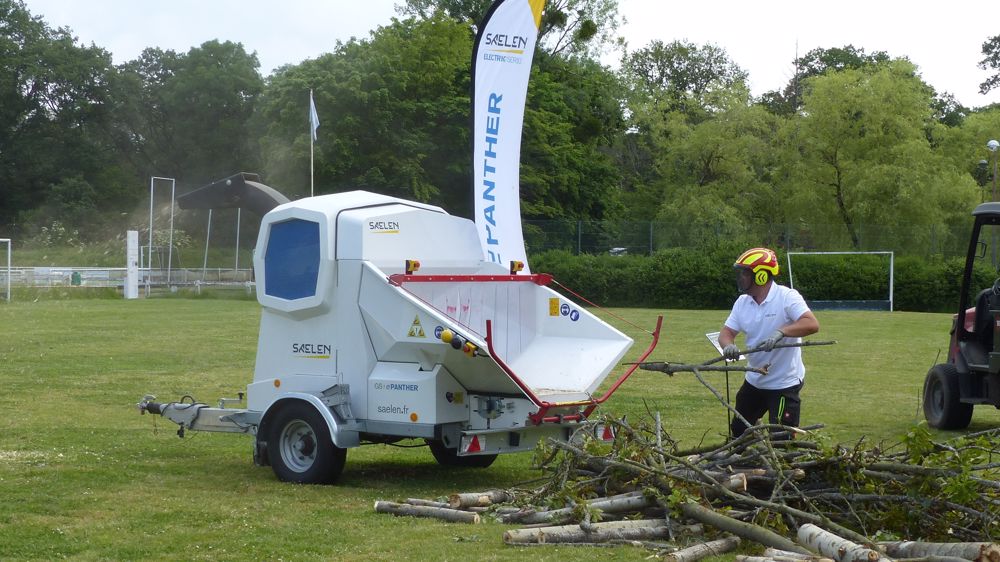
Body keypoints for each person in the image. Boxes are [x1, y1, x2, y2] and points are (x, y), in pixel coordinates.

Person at [718, 247, 820, 438]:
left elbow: (812, 323)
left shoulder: (787, 297)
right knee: (740, 431)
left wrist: (782, 332)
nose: (740, 277)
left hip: (784, 383)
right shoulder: (742, 302)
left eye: (745, 273)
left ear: (762, 276)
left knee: (781, 438)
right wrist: (728, 345)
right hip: (755, 379)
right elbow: (726, 333)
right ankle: (749, 458)